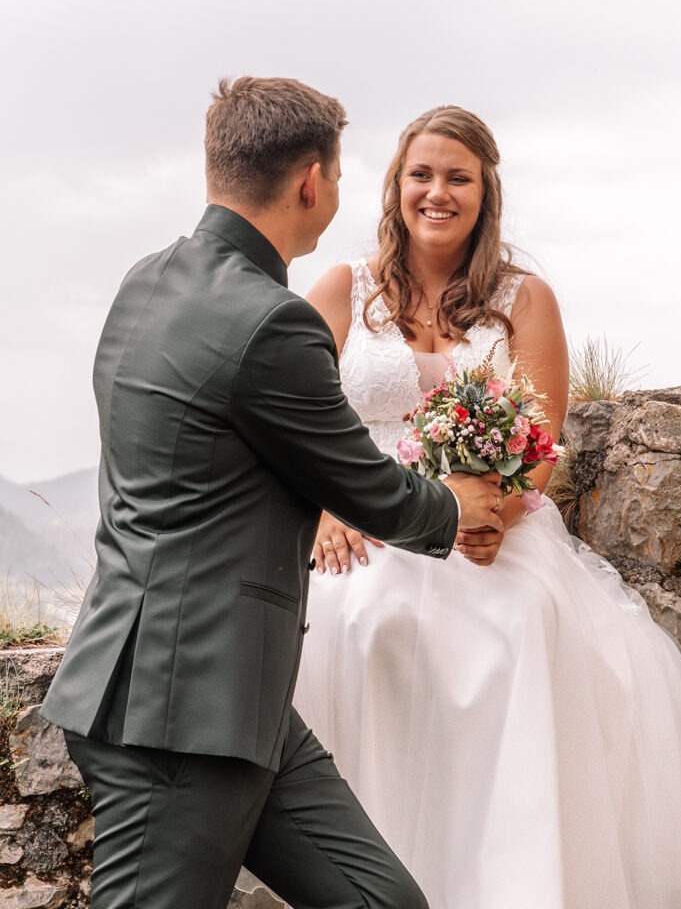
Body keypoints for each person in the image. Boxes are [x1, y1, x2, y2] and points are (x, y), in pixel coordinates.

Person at [40, 78, 504, 909]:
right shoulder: (271, 322)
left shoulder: (146, 281)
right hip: (181, 715)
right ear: (310, 183)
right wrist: (460, 503)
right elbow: (365, 487)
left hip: (227, 698)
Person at [294, 105, 681, 909]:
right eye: (421, 175)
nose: (437, 192)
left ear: (484, 191)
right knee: (362, 620)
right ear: (396, 186)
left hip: (491, 527)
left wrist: (495, 515)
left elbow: (539, 438)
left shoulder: (524, 297)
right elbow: (290, 416)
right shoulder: (343, 287)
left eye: (457, 178)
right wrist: (323, 509)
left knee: (513, 624)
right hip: (367, 521)